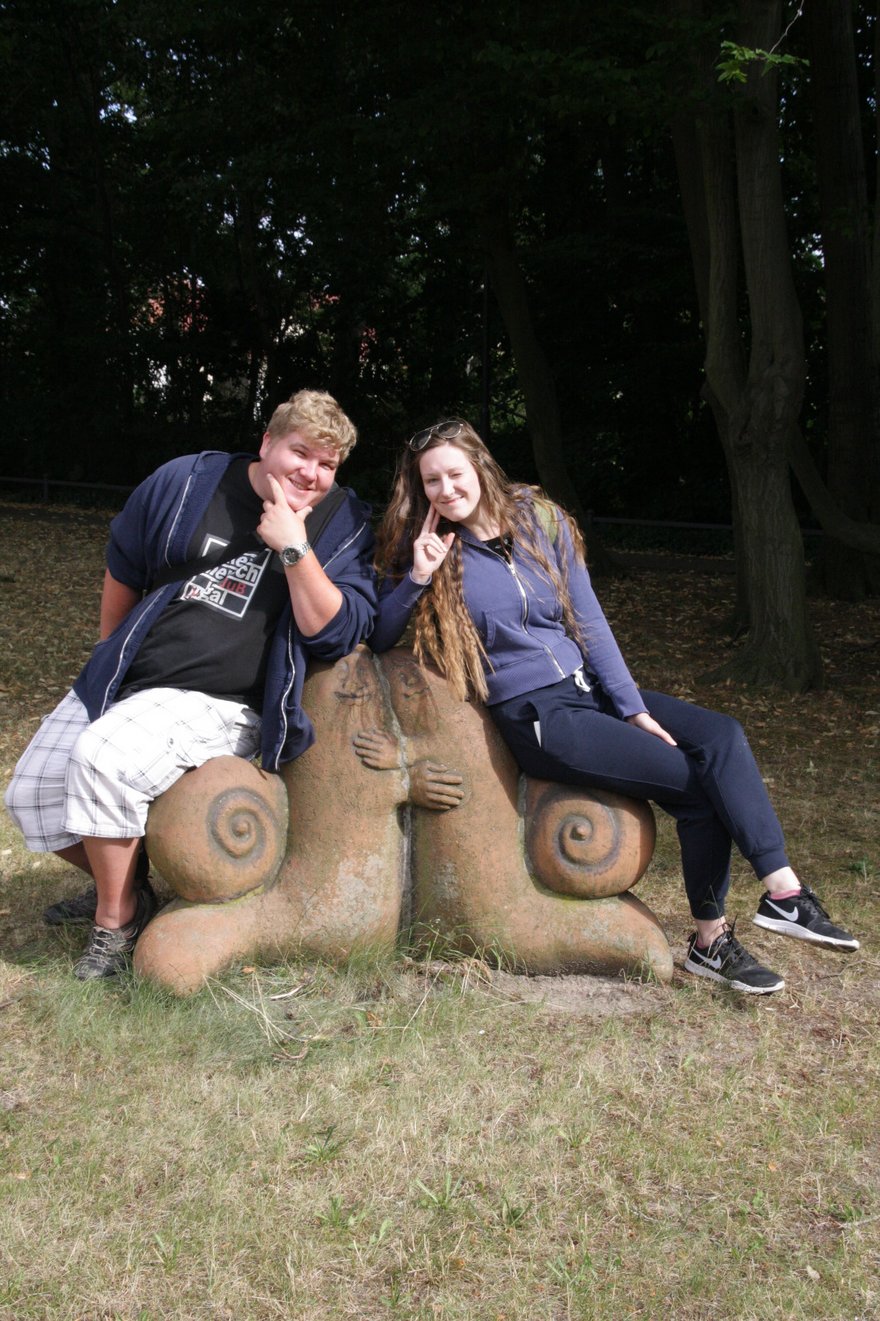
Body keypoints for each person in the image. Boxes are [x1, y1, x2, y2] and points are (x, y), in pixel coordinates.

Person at [367, 418, 859, 995]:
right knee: (694, 787)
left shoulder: (536, 519)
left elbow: (588, 618)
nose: (446, 490)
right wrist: (418, 577)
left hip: (584, 688)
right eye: (431, 482)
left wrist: (630, 707)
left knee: (721, 734)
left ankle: (785, 894)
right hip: (539, 717)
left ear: (479, 465)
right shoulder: (432, 549)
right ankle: (711, 939)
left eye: (454, 473)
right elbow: (380, 635)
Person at [5, 389, 377, 979]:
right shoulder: (188, 481)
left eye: (327, 464)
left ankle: (116, 921)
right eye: (299, 452)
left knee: (102, 759)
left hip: (223, 702)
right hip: (129, 678)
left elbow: (334, 632)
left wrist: (294, 548)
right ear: (267, 442)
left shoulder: (341, 523)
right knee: (30, 796)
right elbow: (125, 565)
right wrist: (108, 654)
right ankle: (131, 884)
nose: (310, 473)